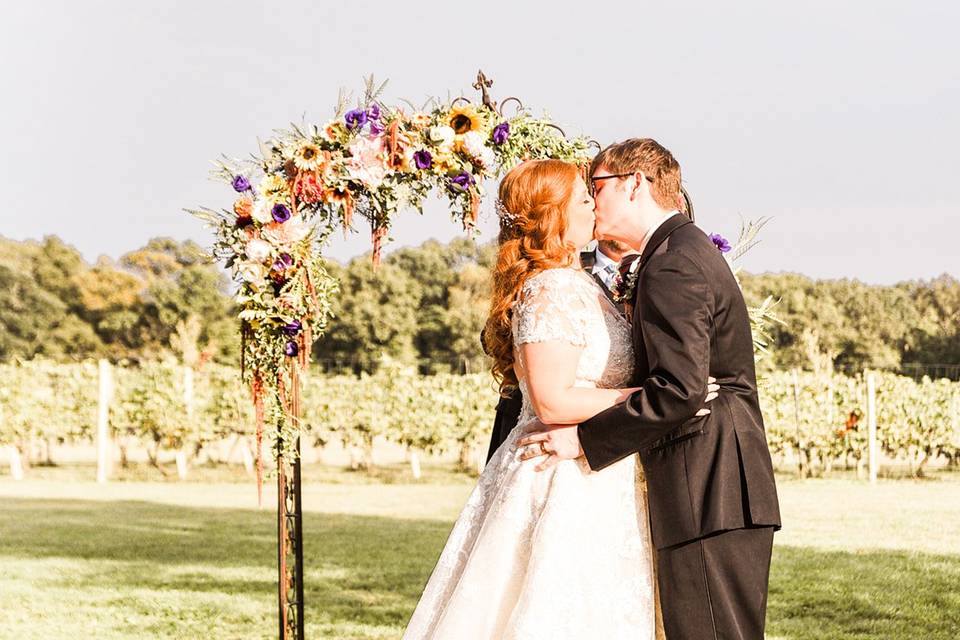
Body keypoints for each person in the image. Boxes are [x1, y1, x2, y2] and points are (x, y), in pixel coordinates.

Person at [402, 159, 716, 639]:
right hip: (560, 476)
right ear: (555, 215)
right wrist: (650, 395)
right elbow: (551, 402)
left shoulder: (582, 284)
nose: (595, 205)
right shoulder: (550, 289)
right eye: (584, 199)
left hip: (600, 468)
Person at [519, 138, 782, 640]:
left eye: (597, 187)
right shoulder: (679, 249)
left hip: (707, 488)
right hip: (716, 488)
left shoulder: (673, 262)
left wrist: (582, 439)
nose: (592, 202)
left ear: (634, 183)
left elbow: (679, 392)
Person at [484, 239, 636, 462]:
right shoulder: (552, 273)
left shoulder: (659, 272)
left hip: (617, 442)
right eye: (587, 201)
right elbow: (496, 335)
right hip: (540, 432)